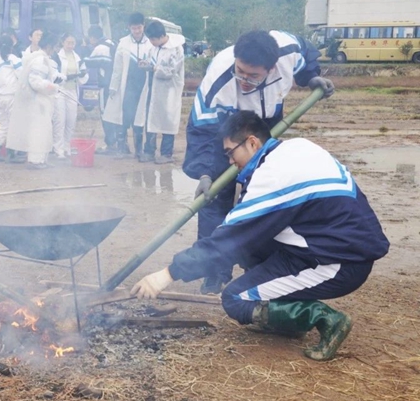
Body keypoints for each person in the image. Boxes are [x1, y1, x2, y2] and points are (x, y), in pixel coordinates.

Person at [132, 111, 389, 361]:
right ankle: (288, 320)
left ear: (252, 142)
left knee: (235, 298)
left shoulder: (273, 176)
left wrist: (167, 274)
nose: (231, 162)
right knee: (253, 251)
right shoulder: (297, 147)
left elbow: (229, 240)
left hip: (339, 262)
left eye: (231, 153)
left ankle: (324, 319)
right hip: (333, 244)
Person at [184, 29, 335, 294]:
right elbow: (202, 129)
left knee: (264, 194)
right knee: (216, 199)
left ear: (272, 67)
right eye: (240, 71)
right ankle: (214, 272)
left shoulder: (289, 50)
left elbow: (307, 57)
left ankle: (259, 264)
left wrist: (311, 78)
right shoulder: (218, 81)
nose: (244, 79)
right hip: (226, 128)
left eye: (252, 75)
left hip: (269, 122)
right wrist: (206, 173)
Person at [6, 31, 62, 169]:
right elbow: (36, 82)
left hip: (40, 101)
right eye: (54, 47)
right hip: (38, 102)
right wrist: (53, 87)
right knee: (39, 130)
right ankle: (35, 160)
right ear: (49, 46)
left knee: (43, 129)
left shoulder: (40, 58)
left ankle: (41, 159)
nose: (55, 50)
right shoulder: (40, 60)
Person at [102, 12, 151, 157]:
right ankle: (122, 148)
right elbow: (117, 68)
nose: (137, 31)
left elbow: (154, 63)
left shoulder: (149, 44)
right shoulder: (123, 43)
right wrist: (113, 86)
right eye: (134, 28)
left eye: (139, 28)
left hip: (142, 86)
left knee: (139, 117)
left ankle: (139, 150)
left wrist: (147, 64)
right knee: (123, 116)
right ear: (129, 27)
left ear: (143, 26)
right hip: (127, 86)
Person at [137, 20, 185, 163]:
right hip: (153, 89)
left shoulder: (176, 49)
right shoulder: (154, 48)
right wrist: (145, 64)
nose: (150, 42)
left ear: (159, 37)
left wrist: (153, 68)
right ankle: (149, 151)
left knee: (167, 120)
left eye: (152, 39)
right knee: (151, 119)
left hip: (169, 91)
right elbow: (152, 62)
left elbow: (171, 71)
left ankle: (166, 153)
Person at [52, 33, 88, 159]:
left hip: (72, 91)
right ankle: (58, 149)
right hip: (60, 92)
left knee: (71, 121)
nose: (70, 45)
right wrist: (66, 78)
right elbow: (54, 75)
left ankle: (67, 146)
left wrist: (82, 75)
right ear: (63, 42)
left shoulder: (78, 57)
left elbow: (83, 75)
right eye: (68, 42)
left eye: (72, 43)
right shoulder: (56, 57)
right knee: (60, 121)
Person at [82, 25, 116, 154]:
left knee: (105, 113)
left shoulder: (100, 48)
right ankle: (118, 143)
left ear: (92, 37)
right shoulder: (111, 43)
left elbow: (89, 62)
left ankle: (110, 144)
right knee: (114, 113)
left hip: (105, 86)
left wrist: (84, 49)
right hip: (114, 85)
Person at [0, 34, 22, 161]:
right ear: (11, 46)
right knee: (14, 125)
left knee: (4, 124)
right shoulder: (13, 58)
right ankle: (11, 154)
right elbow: (22, 74)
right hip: (11, 95)